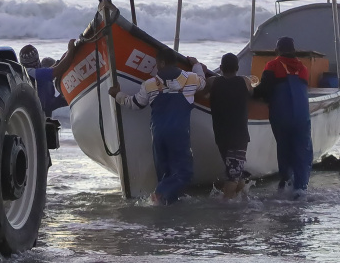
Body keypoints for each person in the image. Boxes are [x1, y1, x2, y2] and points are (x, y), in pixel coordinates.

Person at [108, 47, 207, 204]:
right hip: (179, 133)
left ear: (161, 62)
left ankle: (166, 204)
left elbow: (135, 104)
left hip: (158, 133)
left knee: (164, 173)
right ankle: (160, 194)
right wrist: (196, 65)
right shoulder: (191, 79)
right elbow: (203, 81)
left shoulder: (150, 84)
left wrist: (117, 95)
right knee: (184, 173)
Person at [253, 36, 313, 199]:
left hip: (282, 115)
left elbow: (264, 90)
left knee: (284, 149)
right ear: (294, 51)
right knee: (302, 152)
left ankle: (285, 183)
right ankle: (300, 189)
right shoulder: (303, 68)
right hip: (302, 117)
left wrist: (249, 90)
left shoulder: (273, 65)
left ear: (277, 50)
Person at [204, 53, 253, 199]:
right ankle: (227, 212)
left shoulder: (213, 82)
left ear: (220, 68)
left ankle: (241, 201)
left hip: (221, 137)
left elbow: (202, 92)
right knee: (233, 177)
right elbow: (253, 92)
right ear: (238, 68)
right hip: (239, 137)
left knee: (236, 174)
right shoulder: (245, 81)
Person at [20, 41, 78, 116]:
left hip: (36, 106)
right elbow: (59, 70)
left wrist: (61, 60)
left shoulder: (24, 71)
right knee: (48, 64)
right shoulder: (34, 73)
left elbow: (50, 70)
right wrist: (71, 50)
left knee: (47, 62)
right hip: (42, 109)